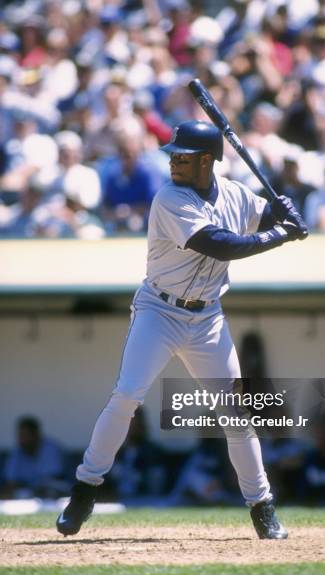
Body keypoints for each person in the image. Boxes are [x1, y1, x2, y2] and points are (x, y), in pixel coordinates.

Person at [56, 120, 308, 540]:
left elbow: (264, 210)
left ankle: (262, 507)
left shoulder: (233, 194)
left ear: (207, 161)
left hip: (207, 318)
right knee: (126, 397)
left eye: (183, 156)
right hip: (160, 310)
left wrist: (285, 208)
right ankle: (84, 490)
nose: (174, 161)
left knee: (236, 414)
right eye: (173, 154)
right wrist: (282, 234)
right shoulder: (169, 198)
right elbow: (222, 243)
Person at [2, 416, 67, 499]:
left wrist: (32, 488)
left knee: (50, 491)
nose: (22, 440)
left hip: (54, 492)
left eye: (26, 435)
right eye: (20, 436)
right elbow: (10, 481)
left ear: (36, 435)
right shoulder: (17, 452)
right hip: (28, 493)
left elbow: (53, 478)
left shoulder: (51, 449)